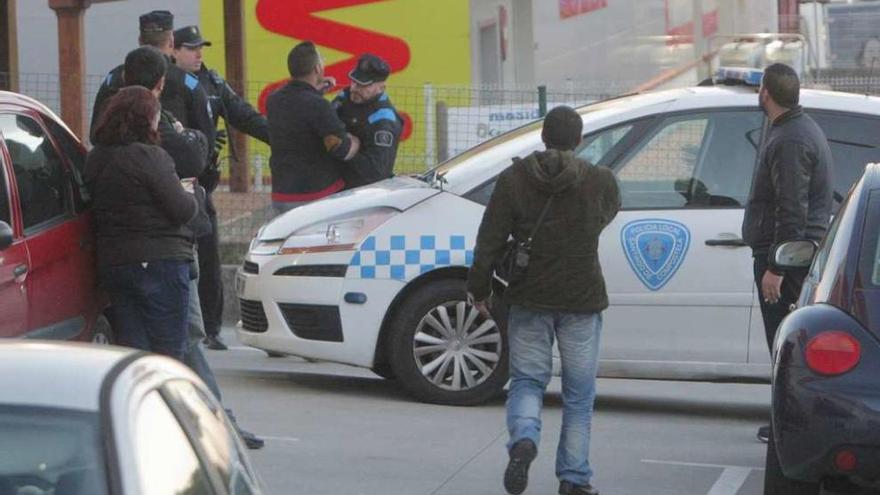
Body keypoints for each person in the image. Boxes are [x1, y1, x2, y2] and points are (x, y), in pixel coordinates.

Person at [467, 106, 620, 495]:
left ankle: (524, 439)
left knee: (527, 382)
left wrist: (479, 289)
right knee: (579, 395)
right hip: (582, 297)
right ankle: (574, 479)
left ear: (543, 138)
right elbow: (607, 214)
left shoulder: (514, 179)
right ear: (580, 140)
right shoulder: (600, 181)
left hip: (529, 296)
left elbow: (489, 240)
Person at [119, 46, 264, 449]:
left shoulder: (111, 125)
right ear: (161, 82)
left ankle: (148, 426)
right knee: (184, 340)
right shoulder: (152, 126)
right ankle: (213, 423)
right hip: (165, 253)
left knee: (142, 346)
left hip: (124, 256)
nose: (197, 55)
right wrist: (194, 139)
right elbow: (189, 164)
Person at [742, 63, 832, 444]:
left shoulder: (791, 139)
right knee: (787, 342)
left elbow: (791, 208)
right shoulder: (793, 129)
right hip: (790, 253)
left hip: (787, 259)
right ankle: (792, 423)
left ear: (766, 93)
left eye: (760, 87)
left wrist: (777, 266)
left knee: (784, 344)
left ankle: (789, 428)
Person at [173, 24, 270, 351]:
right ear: (173, 50)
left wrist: (282, 137)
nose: (198, 53)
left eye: (201, 47)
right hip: (171, 184)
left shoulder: (212, 82)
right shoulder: (167, 84)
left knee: (209, 259)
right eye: (191, 47)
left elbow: (244, 116)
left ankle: (211, 329)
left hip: (203, 187)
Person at [85, 86, 197, 361]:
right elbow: (182, 209)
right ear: (147, 119)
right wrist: (192, 194)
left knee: (134, 354)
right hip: (160, 262)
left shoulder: (95, 157)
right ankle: (164, 404)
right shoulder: (150, 157)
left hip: (115, 263)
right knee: (169, 355)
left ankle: (135, 401)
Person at [91, 10, 215, 150]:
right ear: (172, 42)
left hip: (120, 167)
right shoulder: (188, 83)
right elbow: (207, 142)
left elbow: (95, 134)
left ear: (139, 40)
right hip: (176, 169)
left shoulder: (114, 78)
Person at [267, 41, 361, 216]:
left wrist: (316, 92)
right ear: (317, 68)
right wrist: (355, 141)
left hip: (281, 194)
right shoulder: (318, 106)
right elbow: (342, 150)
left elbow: (298, 109)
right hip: (316, 197)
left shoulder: (274, 100)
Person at [332, 54, 403, 189]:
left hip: (364, 194)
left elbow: (377, 173)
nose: (354, 88)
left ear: (381, 88)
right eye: (354, 81)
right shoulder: (345, 96)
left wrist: (350, 151)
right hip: (336, 186)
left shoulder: (384, 121)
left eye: (363, 85)